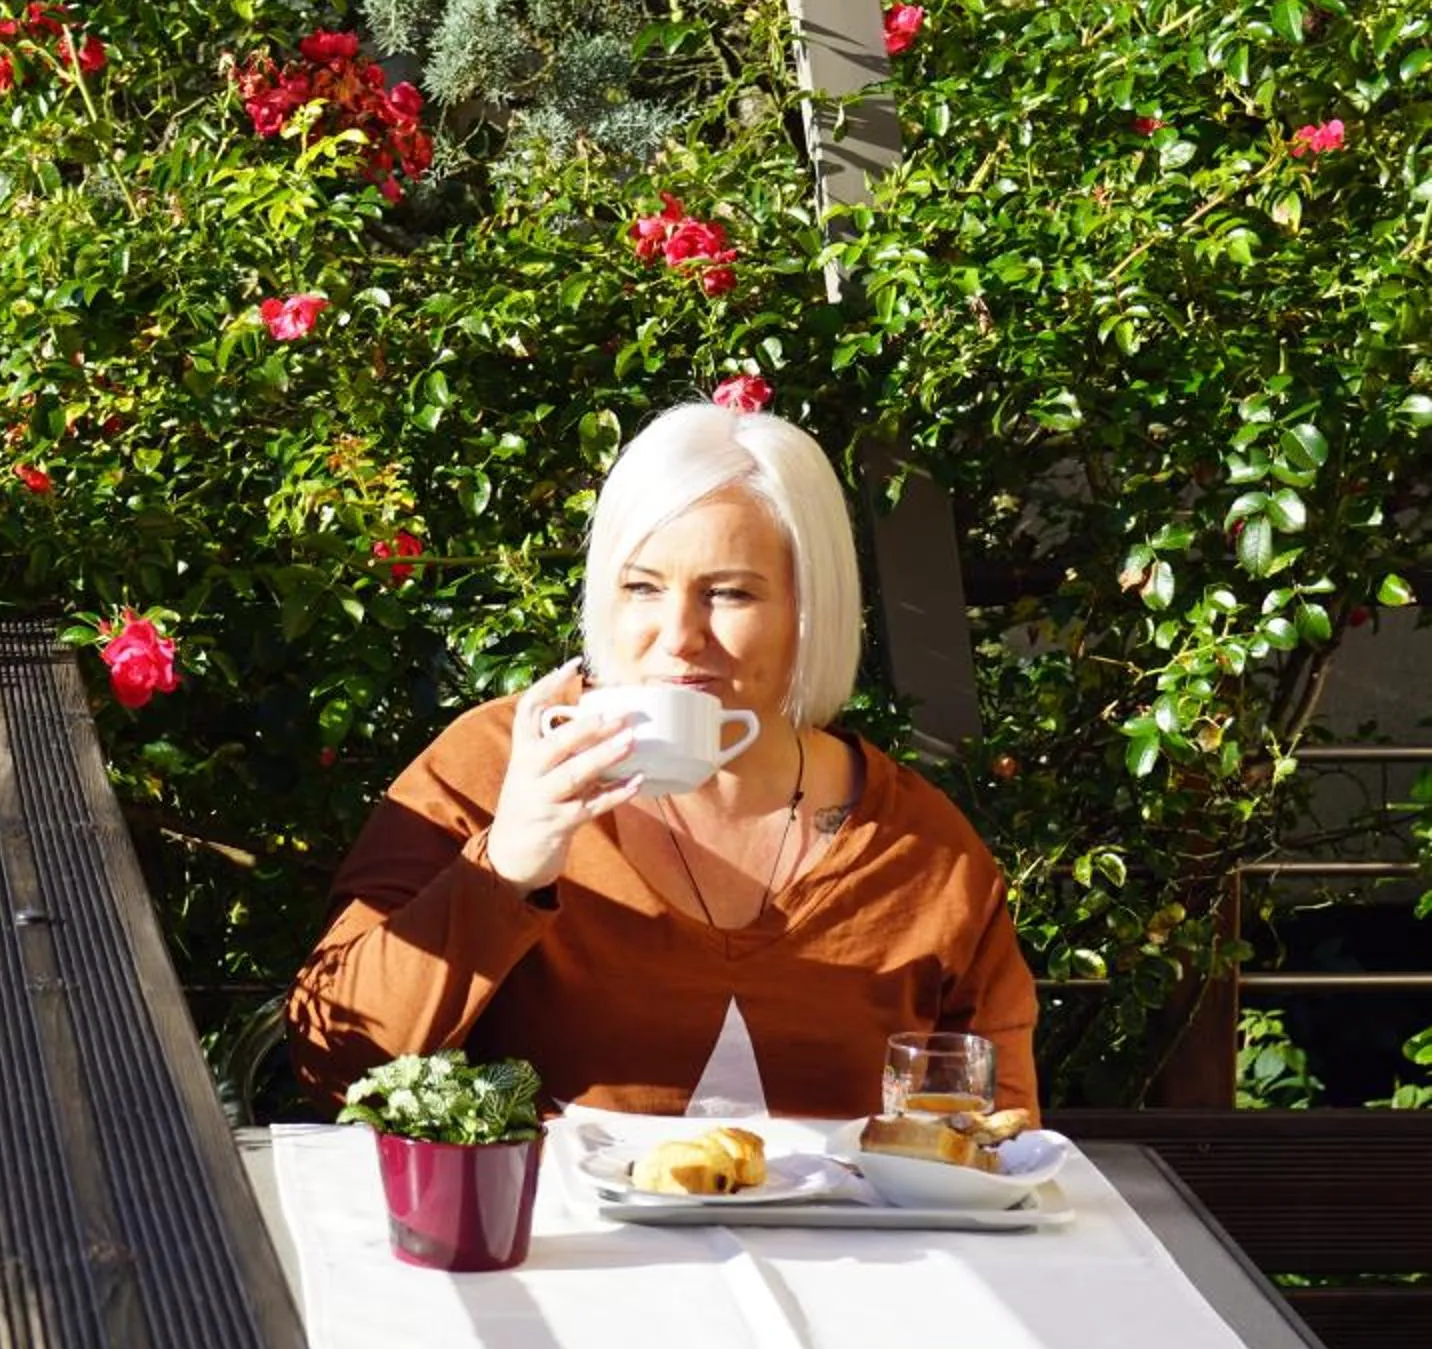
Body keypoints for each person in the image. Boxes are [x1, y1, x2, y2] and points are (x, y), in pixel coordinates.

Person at [288, 402, 1040, 1121]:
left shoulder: (922, 853)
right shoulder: (497, 767)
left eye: (729, 594)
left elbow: (999, 1135)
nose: (679, 636)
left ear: (812, 610)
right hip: (550, 1218)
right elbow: (336, 1067)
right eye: (642, 587)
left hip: (838, 1220)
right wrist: (505, 868)